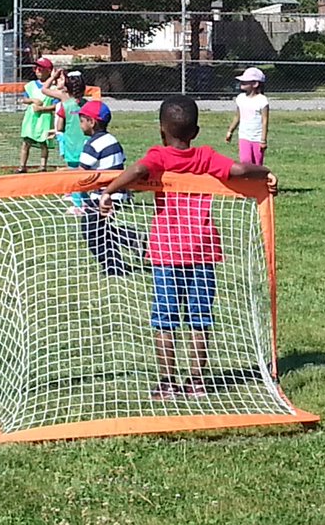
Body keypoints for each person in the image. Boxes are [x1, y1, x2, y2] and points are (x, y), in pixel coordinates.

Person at [99, 95, 279, 400]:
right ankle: (197, 381)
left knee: (164, 319)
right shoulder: (205, 156)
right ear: (195, 131)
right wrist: (265, 171)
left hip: (167, 252)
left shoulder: (159, 156)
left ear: (161, 131)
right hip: (202, 250)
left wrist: (109, 191)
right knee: (199, 318)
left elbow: (138, 171)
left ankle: (168, 382)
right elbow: (237, 169)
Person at [76, 100, 136, 274]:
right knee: (101, 229)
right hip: (117, 194)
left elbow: (81, 173)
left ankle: (113, 266)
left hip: (103, 196)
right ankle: (132, 240)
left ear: (92, 122)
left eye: (82, 120)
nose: (80, 125)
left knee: (91, 231)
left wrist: (61, 178)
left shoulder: (92, 144)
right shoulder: (112, 140)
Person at [44, 70, 90, 212]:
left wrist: (53, 76)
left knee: (74, 176)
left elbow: (59, 127)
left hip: (71, 146)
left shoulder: (65, 102)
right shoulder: (87, 104)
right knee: (85, 176)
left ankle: (77, 206)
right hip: (87, 146)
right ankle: (87, 202)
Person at [17, 57, 58, 173]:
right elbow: (24, 99)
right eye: (36, 68)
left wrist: (43, 108)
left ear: (49, 71)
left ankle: (43, 166)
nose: (37, 71)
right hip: (31, 119)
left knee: (43, 143)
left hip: (44, 119)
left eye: (40, 68)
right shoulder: (31, 85)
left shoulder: (54, 88)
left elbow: (56, 105)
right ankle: (22, 166)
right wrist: (32, 100)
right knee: (26, 142)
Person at [225, 67, 270, 165]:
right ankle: (246, 180)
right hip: (244, 136)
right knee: (245, 162)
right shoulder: (240, 98)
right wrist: (230, 131)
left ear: (255, 84)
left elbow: (264, 121)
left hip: (257, 138)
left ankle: (258, 180)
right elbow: (237, 117)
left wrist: (263, 140)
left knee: (257, 164)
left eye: (245, 81)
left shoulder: (262, 100)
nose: (242, 83)